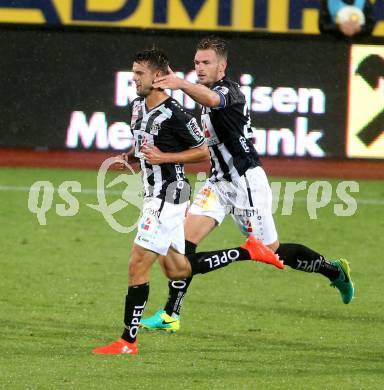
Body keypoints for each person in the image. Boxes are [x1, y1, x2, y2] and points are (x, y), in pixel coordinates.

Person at [140, 36, 355, 333]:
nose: (200, 68)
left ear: (222, 65)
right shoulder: (202, 91)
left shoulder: (231, 92)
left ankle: (333, 270)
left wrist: (181, 83)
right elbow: (202, 102)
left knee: (273, 252)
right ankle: (170, 315)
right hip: (218, 182)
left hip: (246, 182)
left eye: (206, 63)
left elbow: (214, 100)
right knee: (182, 244)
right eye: (197, 63)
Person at [92, 48, 283, 355]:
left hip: (169, 194)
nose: (134, 79)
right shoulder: (138, 106)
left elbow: (204, 152)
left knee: (137, 262)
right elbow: (144, 142)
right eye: (133, 72)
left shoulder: (176, 113)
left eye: (139, 73)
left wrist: (165, 157)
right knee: (178, 270)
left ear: (157, 77)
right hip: (153, 192)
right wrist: (132, 156)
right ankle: (247, 251)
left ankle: (128, 341)